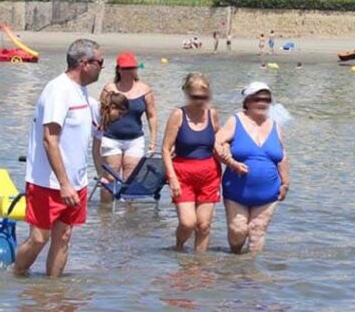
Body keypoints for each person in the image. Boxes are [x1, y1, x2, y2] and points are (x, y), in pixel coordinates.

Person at [14, 39, 103, 277]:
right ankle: (17, 273)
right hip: (48, 182)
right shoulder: (58, 90)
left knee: (64, 236)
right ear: (84, 64)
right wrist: (63, 183)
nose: (102, 67)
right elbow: (49, 139)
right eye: (100, 62)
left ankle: (53, 292)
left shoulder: (82, 92)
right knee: (39, 238)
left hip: (76, 181)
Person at [215, 82, 289, 254]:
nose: (262, 103)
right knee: (237, 230)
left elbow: (282, 155)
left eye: (266, 99)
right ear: (247, 101)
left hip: (268, 191)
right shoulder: (236, 120)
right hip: (237, 189)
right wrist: (230, 161)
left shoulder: (275, 125)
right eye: (257, 99)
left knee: (257, 230)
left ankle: (251, 276)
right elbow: (216, 142)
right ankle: (234, 266)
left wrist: (286, 183)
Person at [161, 73, 222, 252]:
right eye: (195, 97)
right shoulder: (178, 115)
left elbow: (220, 141)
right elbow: (165, 149)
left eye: (203, 96)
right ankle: (179, 247)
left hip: (209, 175)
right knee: (188, 223)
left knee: (203, 226)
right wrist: (171, 178)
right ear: (187, 94)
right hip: (182, 175)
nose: (199, 101)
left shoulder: (213, 114)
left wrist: (231, 159)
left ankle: (199, 267)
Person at [93, 52, 157, 201]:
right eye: (125, 68)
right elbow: (100, 114)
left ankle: (128, 218)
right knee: (109, 178)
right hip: (111, 138)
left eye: (131, 68)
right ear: (118, 69)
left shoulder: (145, 89)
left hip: (135, 139)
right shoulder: (109, 88)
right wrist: (97, 138)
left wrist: (153, 141)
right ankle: (106, 215)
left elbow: (152, 116)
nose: (128, 72)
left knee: (130, 179)